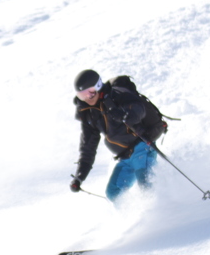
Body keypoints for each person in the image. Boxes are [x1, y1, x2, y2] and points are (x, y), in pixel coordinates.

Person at [70, 69, 165, 202]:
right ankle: (135, 218)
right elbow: (88, 147)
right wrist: (80, 176)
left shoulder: (117, 95)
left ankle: (167, 214)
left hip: (142, 147)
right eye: (82, 95)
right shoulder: (89, 114)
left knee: (147, 187)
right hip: (125, 157)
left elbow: (138, 109)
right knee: (113, 193)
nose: (87, 98)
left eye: (89, 92)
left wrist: (124, 115)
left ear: (98, 87)